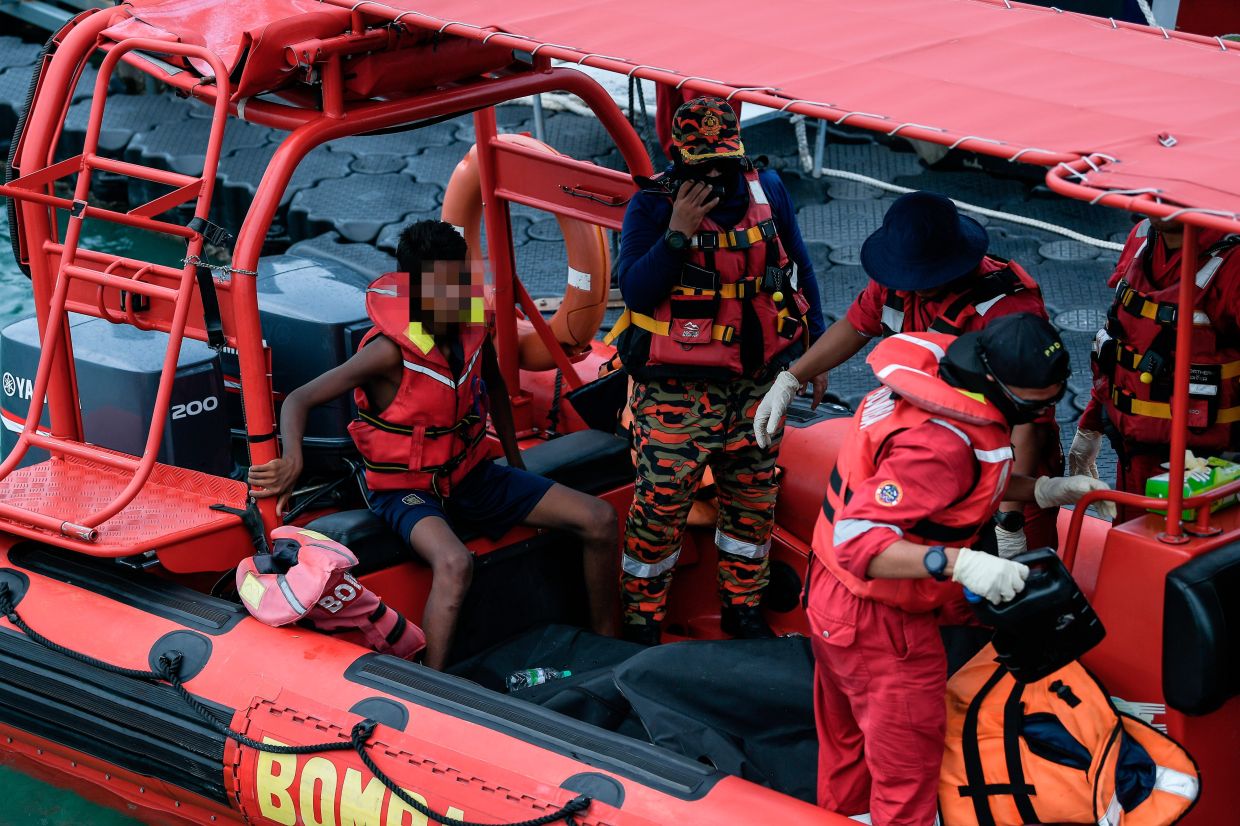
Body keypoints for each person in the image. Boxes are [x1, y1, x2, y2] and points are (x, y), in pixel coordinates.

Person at [249, 220, 620, 670]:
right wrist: (293, 458)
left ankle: (610, 651)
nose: (455, 294)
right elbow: (301, 398)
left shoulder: (471, 325)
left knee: (599, 519)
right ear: (414, 288)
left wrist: (518, 460)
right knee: (454, 563)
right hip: (407, 491)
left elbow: (496, 386)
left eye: (460, 279)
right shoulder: (388, 351)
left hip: (471, 475)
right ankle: (433, 685)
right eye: (442, 285)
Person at [803, 313, 1109, 826]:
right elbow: (860, 542)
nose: (1045, 411)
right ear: (997, 384)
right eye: (1039, 403)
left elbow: (967, 476)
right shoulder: (936, 444)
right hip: (880, 623)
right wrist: (962, 563)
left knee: (848, 751)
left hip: (833, 600)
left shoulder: (943, 374)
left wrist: (1037, 489)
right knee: (907, 777)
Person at [607, 96, 827, 644]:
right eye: (700, 166)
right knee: (659, 512)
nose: (713, 176)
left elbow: (798, 266)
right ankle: (640, 622)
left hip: (756, 386)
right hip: (675, 393)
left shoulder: (766, 190)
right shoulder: (652, 206)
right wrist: (678, 230)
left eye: (722, 164)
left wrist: (814, 350)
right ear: (679, 160)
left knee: (753, 505)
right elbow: (635, 289)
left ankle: (743, 611)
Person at [756, 190, 1062, 556]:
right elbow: (857, 327)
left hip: (1003, 463)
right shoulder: (898, 279)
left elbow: (1028, 422)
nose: (911, 283)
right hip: (930, 458)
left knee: (1021, 584)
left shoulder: (1008, 312)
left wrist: (1009, 521)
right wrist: (792, 378)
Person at [1071, 214, 1240, 522]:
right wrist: (1091, 422)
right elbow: (1124, 338)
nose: (1161, 203)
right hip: (1131, 459)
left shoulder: (1235, 263)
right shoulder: (1141, 237)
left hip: (1206, 483)